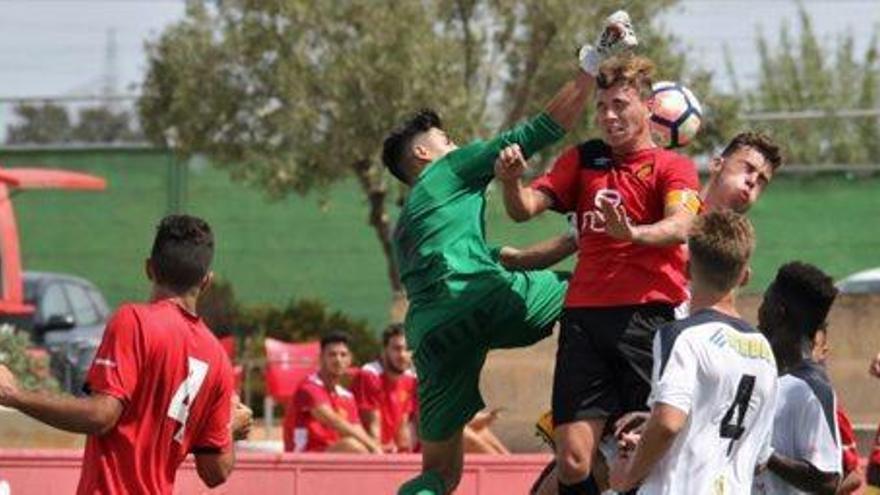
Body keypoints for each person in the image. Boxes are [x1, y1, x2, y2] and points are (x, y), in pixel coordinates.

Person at [383, 12, 638, 495]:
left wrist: (572, 238)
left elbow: (517, 259)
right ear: (422, 154)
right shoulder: (451, 169)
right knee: (585, 289)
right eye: (445, 138)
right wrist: (592, 62)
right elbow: (545, 126)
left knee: (440, 474)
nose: (454, 142)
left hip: (431, 331)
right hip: (478, 298)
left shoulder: (413, 225)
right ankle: (602, 411)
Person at [496, 48, 705, 492]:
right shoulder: (584, 159)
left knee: (641, 454)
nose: (609, 117)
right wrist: (511, 180)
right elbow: (524, 209)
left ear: (649, 107)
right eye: (602, 107)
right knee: (573, 461)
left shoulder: (673, 166)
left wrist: (632, 232)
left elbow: (681, 225)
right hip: (584, 320)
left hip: (647, 319)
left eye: (620, 105)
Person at [0, 214, 253, 493]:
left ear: (149, 268)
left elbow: (100, 416)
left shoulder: (134, 321)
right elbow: (214, 472)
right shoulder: (218, 359)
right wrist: (227, 431)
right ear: (206, 281)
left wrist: (16, 395)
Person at [609, 210, 777, 493]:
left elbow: (667, 424)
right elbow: (758, 456)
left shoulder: (680, 335)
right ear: (745, 276)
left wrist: (627, 479)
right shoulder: (764, 351)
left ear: (686, 269)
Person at [500, 130, 782, 271]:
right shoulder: (660, 197)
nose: (752, 180)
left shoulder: (734, 244)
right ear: (717, 163)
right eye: (747, 167)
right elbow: (578, 236)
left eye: (762, 180)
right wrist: (517, 259)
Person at [752, 261, 843, 494]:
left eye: (765, 301)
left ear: (779, 312)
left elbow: (827, 480)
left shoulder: (812, 388)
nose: (758, 311)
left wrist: (766, 455)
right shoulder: (766, 376)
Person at [283, 331, 382, 454]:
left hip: (331, 456)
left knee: (362, 445)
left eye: (343, 355)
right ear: (321, 358)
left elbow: (356, 427)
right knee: (352, 445)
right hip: (304, 459)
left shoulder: (347, 396)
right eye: (332, 355)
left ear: (350, 360)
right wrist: (372, 447)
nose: (338, 359)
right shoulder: (308, 387)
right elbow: (333, 420)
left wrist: (375, 446)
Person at [351, 324, 418, 452]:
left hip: (388, 449)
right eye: (397, 349)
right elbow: (373, 425)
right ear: (384, 351)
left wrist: (403, 454)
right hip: (365, 450)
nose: (403, 355)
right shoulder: (369, 374)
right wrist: (380, 457)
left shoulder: (409, 378)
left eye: (407, 349)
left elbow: (402, 425)